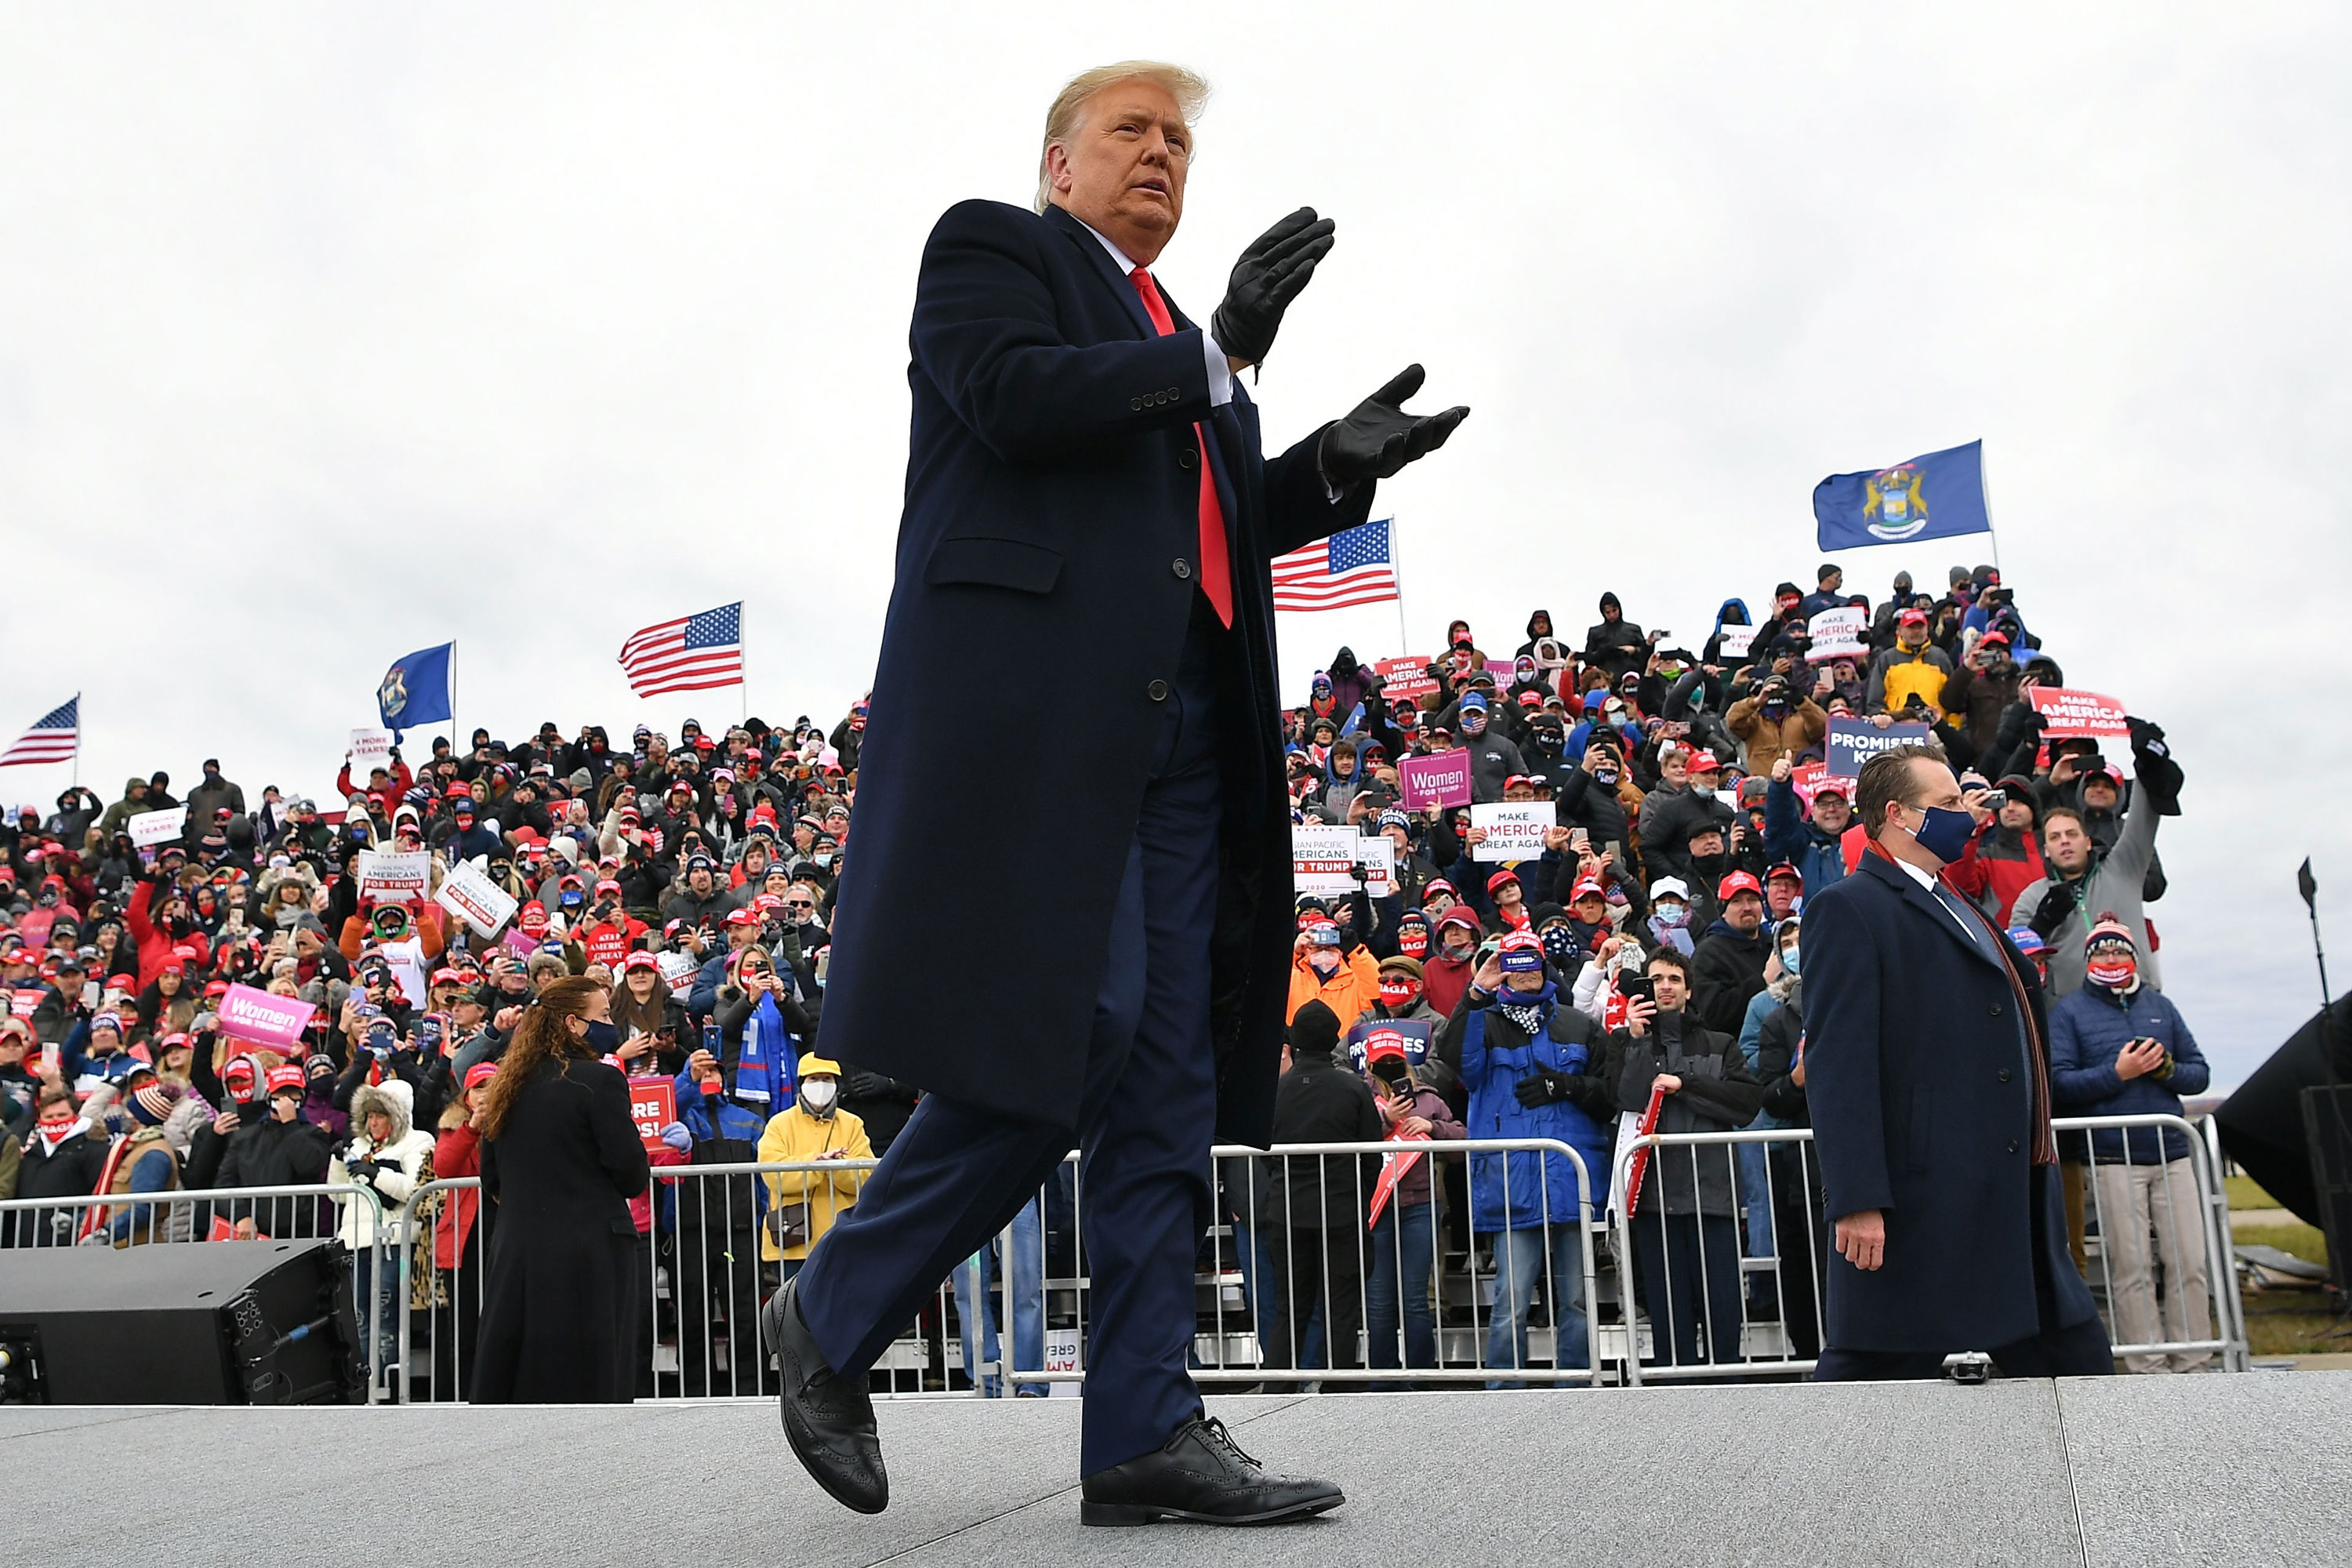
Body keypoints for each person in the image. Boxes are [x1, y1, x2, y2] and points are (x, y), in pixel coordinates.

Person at [770, 60, 1465, 1527]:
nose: (1160, 156)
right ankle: (835, 1310)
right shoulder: (991, 251)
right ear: (1058, 163)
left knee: (1166, 1090)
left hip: (1188, 748)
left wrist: (1325, 469)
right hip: (1049, 734)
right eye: (1131, 134)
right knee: (1069, 1038)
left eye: (1180, 142)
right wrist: (1218, 354)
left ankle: (1144, 1428)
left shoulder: (1178, 349)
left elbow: (1204, 519)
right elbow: (1016, 402)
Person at [1802, 747, 2111, 1380]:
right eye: (1946, 805)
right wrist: (1856, 1196)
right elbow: (1839, 1063)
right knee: (1869, 1378)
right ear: (1897, 815)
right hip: (1927, 1196)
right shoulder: (1850, 907)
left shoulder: (1955, 898)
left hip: (2006, 1185)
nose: (1964, 815)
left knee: (2075, 1365)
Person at [470, 975, 651, 1403]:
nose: (611, 1023)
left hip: (518, 1254)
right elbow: (630, 1173)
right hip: (589, 1257)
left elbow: (491, 1176)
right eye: (603, 1015)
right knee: (588, 1387)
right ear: (573, 1023)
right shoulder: (599, 1081)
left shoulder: (506, 1088)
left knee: (519, 1384)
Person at [1443, 929, 1613, 1384]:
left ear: (1544, 967)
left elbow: (1608, 1095)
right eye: (1513, 964)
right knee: (1511, 1299)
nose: (1523, 973)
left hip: (1572, 1178)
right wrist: (1476, 991)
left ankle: (1577, 1382)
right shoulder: (1484, 1020)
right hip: (1512, 1183)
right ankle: (1505, 1389)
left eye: (1531, 963)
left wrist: (1569, 1085)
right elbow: (1457, 1062)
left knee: (1577, 1297)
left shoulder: (1578, 1024)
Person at [2047, 916, 2214, 1373]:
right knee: (2131, 1267)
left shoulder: (2161, 1006)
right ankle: (2147, 1366)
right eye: (2100, 952)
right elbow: (2059, 1083)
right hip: (2112, 1156)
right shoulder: (2069, 1012)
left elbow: (2200, 1073)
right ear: (2087, 961)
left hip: (2172, 1153)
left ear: (2134, 957)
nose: (2111, 959)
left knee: (2190, 1262)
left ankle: (2195, 1361)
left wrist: (2167, 1072)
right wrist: (2116, 1074)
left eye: (2119, 951)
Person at [1613, 947, 1760, 1369]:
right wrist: (1639, 1044)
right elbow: (1625, 1098)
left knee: (1723, 1319)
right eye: (1656, 979)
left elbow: (1748, 1102)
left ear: (1689, 990)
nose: (1665, 987)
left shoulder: (1721, 1043)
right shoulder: (1625, 1041)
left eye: (1674, 979)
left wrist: (1686, 1084)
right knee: (1669, 1323)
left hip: (1713, 1198)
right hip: (1655, 1199)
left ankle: (1728, 1407)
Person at [1257, 1000, 1381, 1390]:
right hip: (1342, 1212)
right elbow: (1371, 1154)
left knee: (1289, 1308)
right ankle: (1339, 1388)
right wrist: (1356, 1196)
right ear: (1333, 1040)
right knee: (1341, 1307)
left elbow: (1264, 1154)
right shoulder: (1353, 1088)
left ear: (1293, 1043)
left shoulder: (1275, 1091)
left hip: (1287, 1211)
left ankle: (1277, 1387)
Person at [755, 1054, 873, 1285]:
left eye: (827, 1078)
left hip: (842, 1240)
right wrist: (817, 1163)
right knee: (796, 1314)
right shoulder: (779, 1124)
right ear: (802, 1083)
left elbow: (866, 1178)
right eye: (814, 1079)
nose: (821, 1084)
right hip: (794, 1242)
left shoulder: (853, 1124)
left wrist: (835, 1168)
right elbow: (773, 1175)